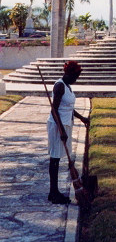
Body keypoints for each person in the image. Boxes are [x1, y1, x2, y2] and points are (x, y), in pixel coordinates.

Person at [47, 60, 89, 204]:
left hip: (66, 124)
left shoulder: (68, 86)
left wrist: (82, 118)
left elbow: (69, 107)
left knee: (59, 157)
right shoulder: (59, 86)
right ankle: (53, 192)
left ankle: (54, 192)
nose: (76, 80)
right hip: (57, 126)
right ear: (69, 74)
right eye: (75, 76)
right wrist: (61, 130)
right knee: (55, 158)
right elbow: (54, 110)